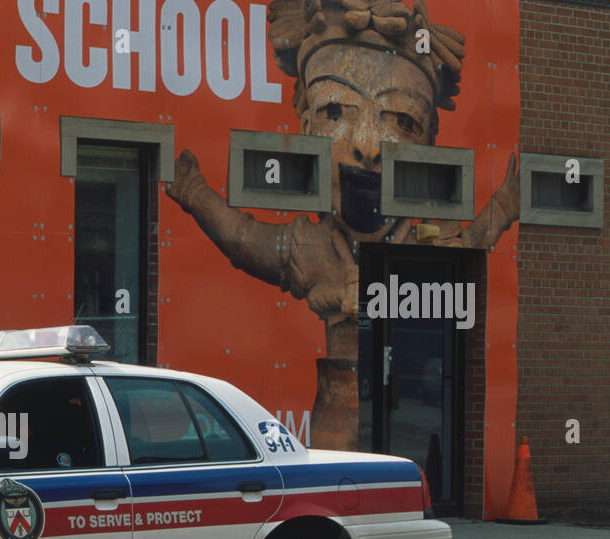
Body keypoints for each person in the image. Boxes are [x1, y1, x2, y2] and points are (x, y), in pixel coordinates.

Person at [165, 0, 519, 450]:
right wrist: (195, 194)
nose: (368, 146)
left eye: (402, 120)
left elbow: (468, 244)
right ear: (306, 123)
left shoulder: (422, 246)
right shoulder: (312, 248)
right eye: (335, 111)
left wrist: (505, 205)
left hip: (404, 416)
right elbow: (244, 240)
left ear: (429, 142)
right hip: (337, 419)